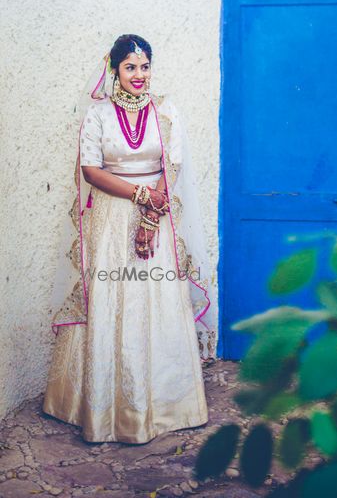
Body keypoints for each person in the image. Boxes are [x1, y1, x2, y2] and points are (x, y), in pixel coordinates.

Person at [43, 34, 216, 444]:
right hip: (111, 219)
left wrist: (152, 215)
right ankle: (105, 411)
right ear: (115, 70)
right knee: (113, 297)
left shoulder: (165, 110)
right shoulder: (98, 115)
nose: (139, 75)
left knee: (156, 297)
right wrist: (138, 196)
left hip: (156, 208)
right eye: (130, 67)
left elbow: (171, 163)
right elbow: (90, 169)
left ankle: (168, 405)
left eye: (145, 66)